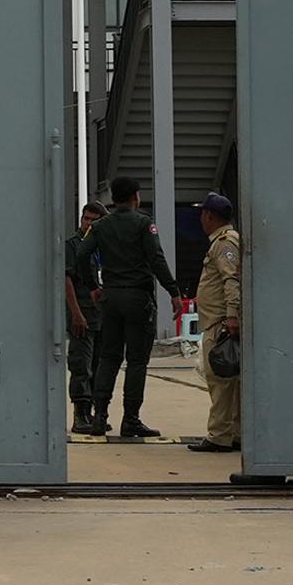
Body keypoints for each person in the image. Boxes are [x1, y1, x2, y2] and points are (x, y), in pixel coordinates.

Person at [74, 174, 168, 441]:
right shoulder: (143, 224)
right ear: (135, 197)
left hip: (110, 299)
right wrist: (173, 291)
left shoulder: (101, 226)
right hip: (138, 298)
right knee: (137, 361)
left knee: (108, 358)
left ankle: (100, 416)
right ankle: (131, 419)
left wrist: (93, 286)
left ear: (112, 198)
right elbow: (157, 259)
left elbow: (82, 253)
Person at [188, 190, 245, 455]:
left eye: (202, 213)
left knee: (220, 380)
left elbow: (230, 280)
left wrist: (232, 316)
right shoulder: (223, 241)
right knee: (230, 381)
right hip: (219, 321)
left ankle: (219, 435)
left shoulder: (224, 242)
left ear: (209, 216)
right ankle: (235, 432)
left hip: (220, 323)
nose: (201, 218)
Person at [64, 200, 106, 438]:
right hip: (83, 314)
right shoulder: (74, 245)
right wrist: (76, 313)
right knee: (81, 366)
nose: (88, 223)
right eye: (85, 218)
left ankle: (94, 414)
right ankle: (80, 415)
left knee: (100, 367)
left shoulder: (104, 245)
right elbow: (68, 279)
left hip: (102, 316)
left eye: (93, 220)